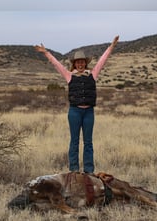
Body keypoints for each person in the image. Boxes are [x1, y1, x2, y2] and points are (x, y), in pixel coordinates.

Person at [35, 35, 119, 174]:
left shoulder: (93, 74)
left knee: (88, 143)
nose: (80, 64)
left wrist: (111, 46)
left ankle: (89, 171)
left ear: (85, 63)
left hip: (89, 113)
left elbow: (102, 61)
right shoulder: (69, 76)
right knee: (74, 141)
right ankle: (74, 170)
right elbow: (57, 64)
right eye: (78, 62)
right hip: (74, 112)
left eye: (82, 62)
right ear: (74, 64)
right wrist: (46, 52)